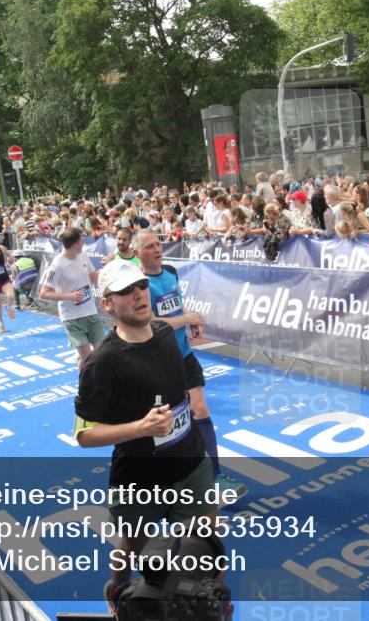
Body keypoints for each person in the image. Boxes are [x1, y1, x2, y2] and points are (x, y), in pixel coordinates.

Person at [73, 260, 216, 602]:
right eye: (124, 291)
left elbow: (180, 390)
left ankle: (209, 606)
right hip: (139, 480)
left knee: (207, 548)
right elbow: (84, 435)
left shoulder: (166, 335)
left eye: (139, 286)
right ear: (107, 303)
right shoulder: (101, 363)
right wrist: (140, 428)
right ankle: (116, 593)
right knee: (132, 549)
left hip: (192, 464)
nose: (137, 295)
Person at [135, 230, 247, 502]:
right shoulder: (138, 284)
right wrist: (188, 318)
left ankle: (215, 478)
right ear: (138, 253)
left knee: (199, 409)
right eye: (149, 247)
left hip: (183, 354)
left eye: (158, 244)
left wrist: (190, 322)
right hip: (157, 361)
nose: (157, 250)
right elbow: (152, 323)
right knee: (166, 423)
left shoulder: (171, 272)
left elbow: (176, 306)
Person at [39, 228, 103, 369]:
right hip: (72, 316)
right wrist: (69, 296)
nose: (84, 243)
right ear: (75, 245)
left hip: (90, 311)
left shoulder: (83, 256)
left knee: (100, 353)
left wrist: (104, 267)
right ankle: (85, 386)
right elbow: (44, 293)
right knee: (88, 356)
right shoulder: (57, 265)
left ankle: (80, 358)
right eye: (81, 240)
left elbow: (92, 278)